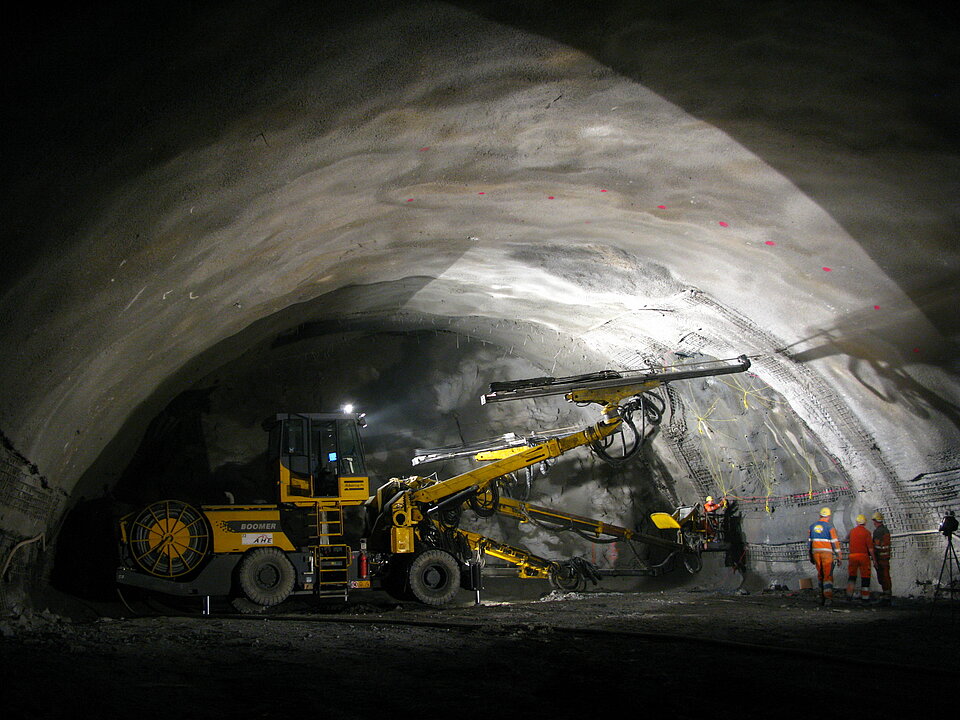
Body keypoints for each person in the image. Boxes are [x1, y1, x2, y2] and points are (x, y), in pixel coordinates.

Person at [809, 507, 842, 606]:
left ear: (820, 515)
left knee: (820, 574)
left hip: (816, 553)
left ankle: (821, 597)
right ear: (828, 516)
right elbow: (834, 543)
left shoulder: (812, 527)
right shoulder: (829, 527)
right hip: (826, 554)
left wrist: (810, 555)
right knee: (827, 576)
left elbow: (809, 543)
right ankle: (828, 597)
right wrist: (839, 556)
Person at [845, 514, 874, 604]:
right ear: (865, 523)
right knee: (865, 577)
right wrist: (874, 559)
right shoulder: (867, 533)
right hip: (863, 557)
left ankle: (849, 596)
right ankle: (865, 598)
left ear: (857, 522)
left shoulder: (852, 531)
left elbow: (846, 538)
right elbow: (870, 548)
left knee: (852, 577)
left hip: (853, 557)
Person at [872, 511, 892, 606]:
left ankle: (886, 597)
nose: (873, 523)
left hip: (880, 557)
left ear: (876, 521)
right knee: (886, 576)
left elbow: (875, 545)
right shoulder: (886, 530)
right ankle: (887, 595)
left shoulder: (878, 532)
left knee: (882, 577)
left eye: (874, 521)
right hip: (886, 557)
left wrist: (874, 558)